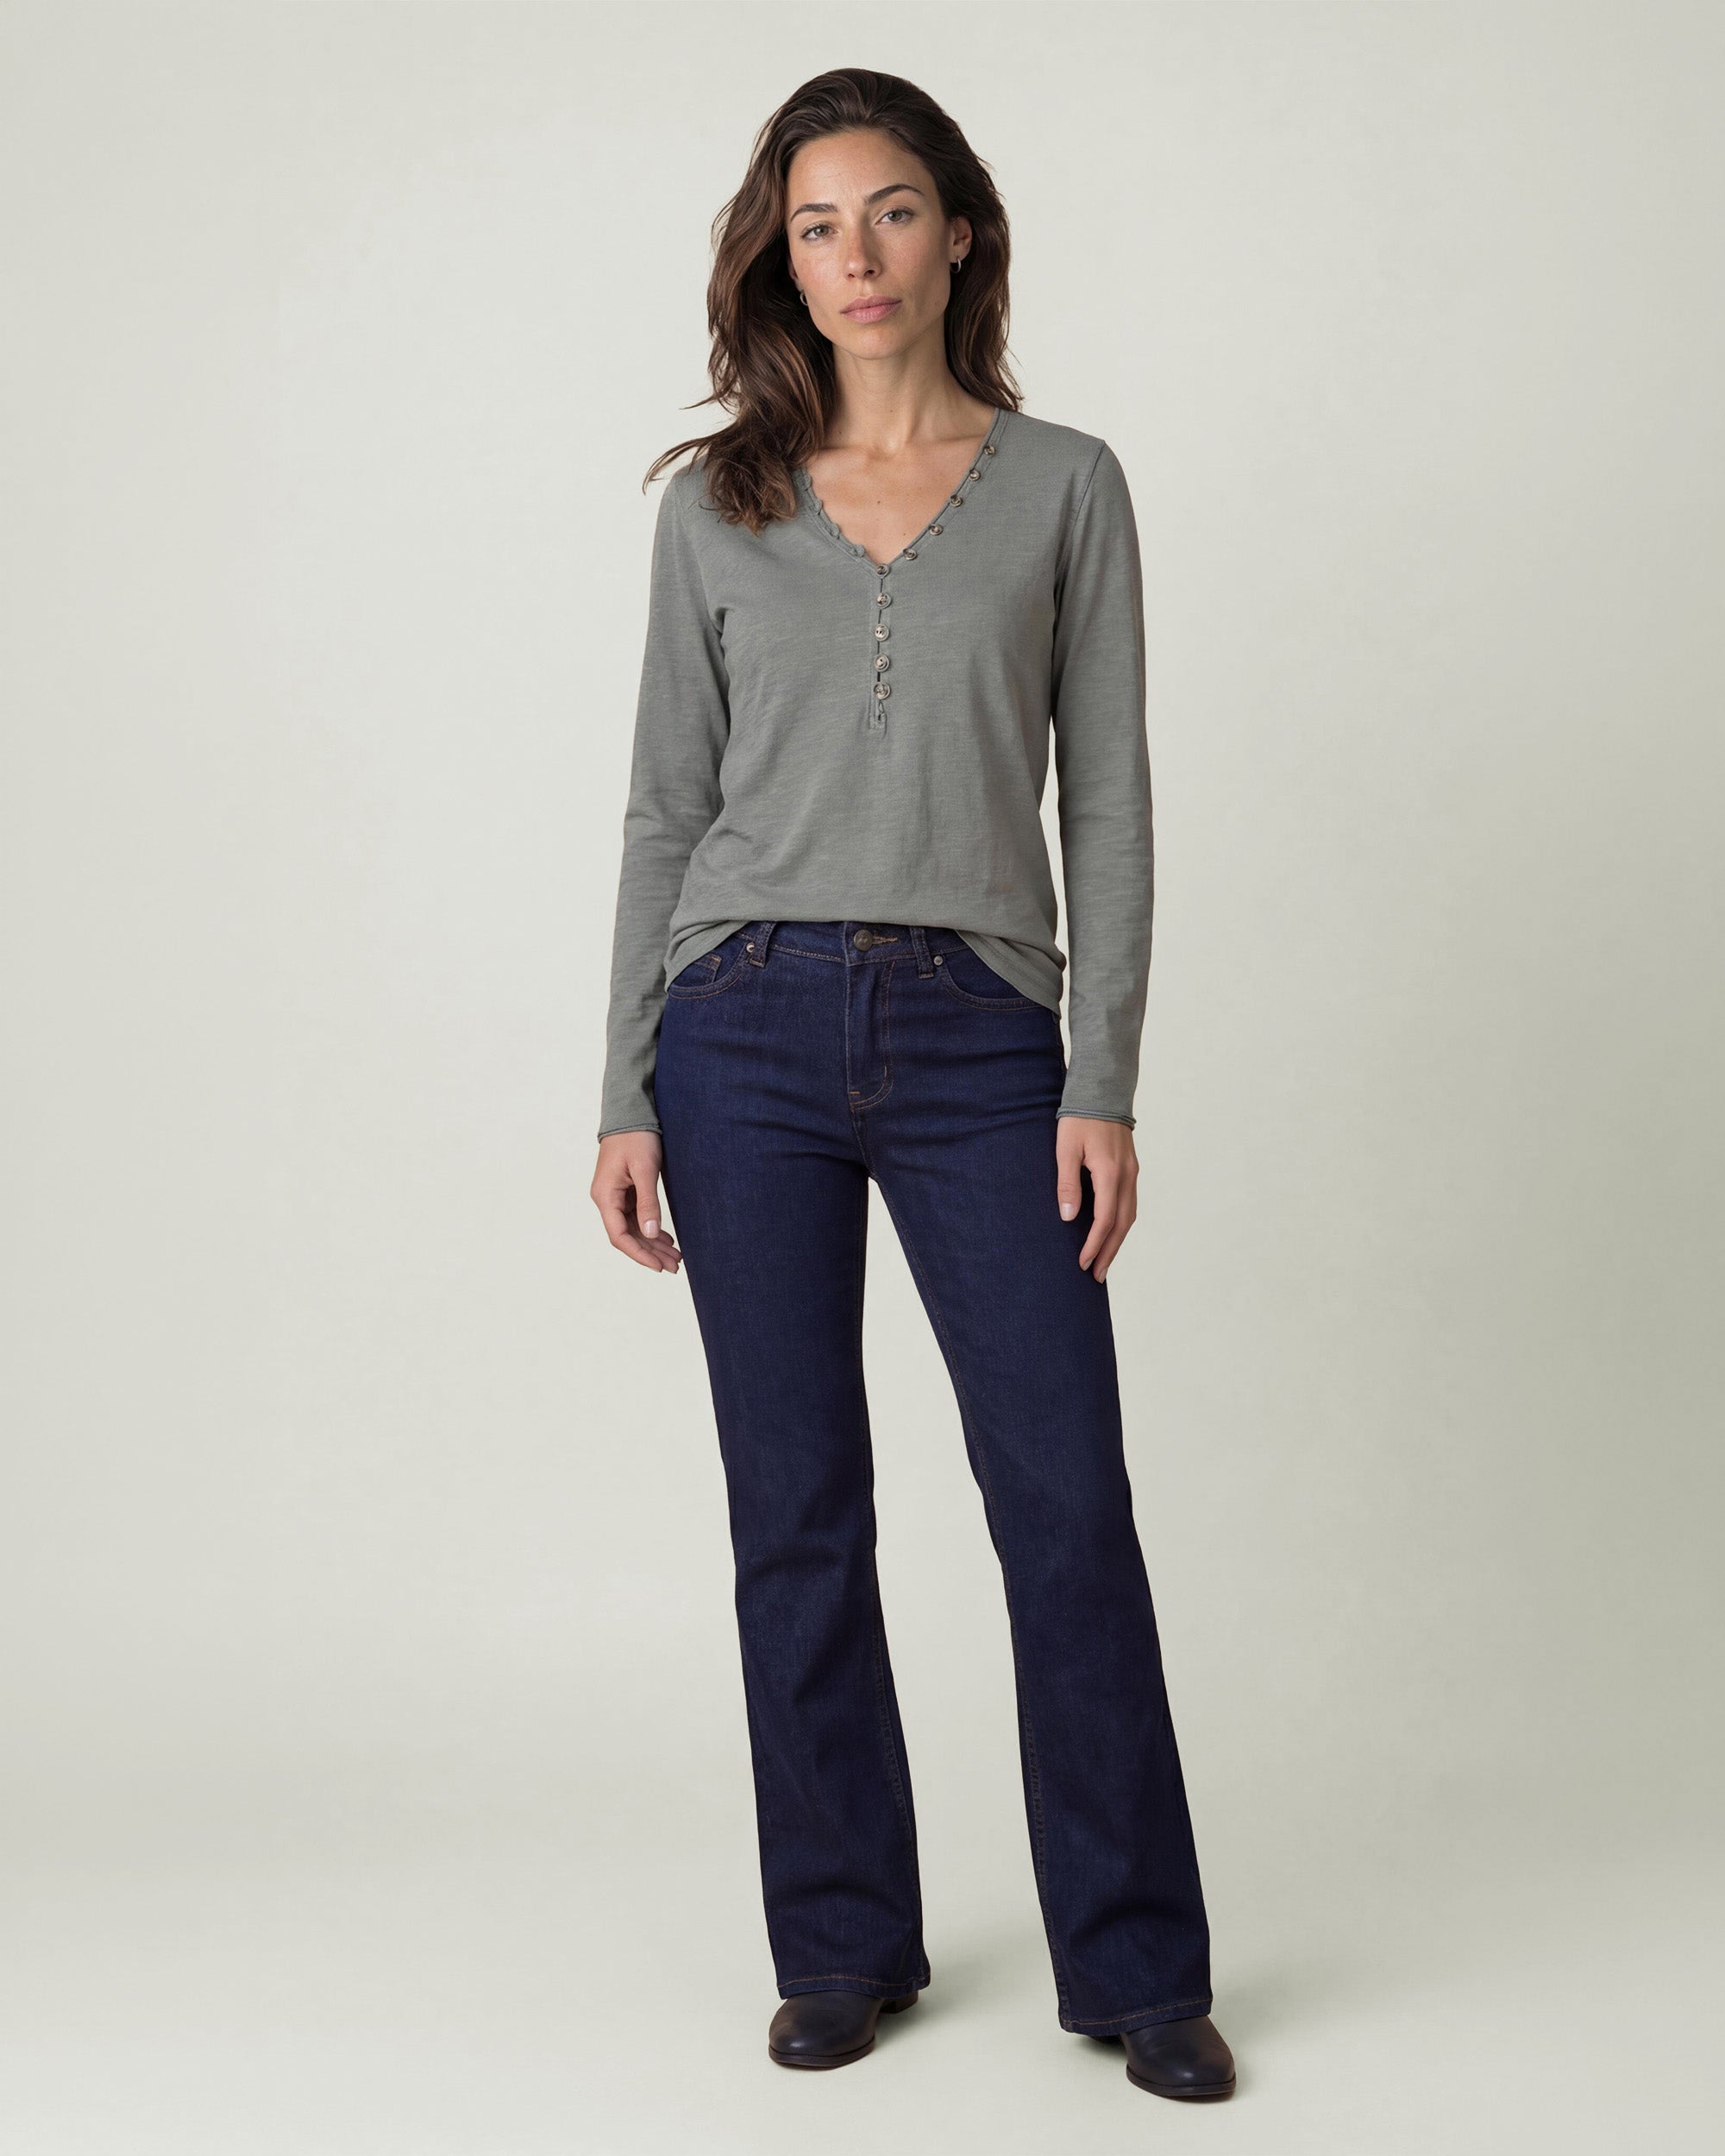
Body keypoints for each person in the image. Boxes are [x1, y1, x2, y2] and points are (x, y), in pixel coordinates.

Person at [592, 66, 1235, 2103]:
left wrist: (1100, 1074)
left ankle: (1136, 1964)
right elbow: (664, 806)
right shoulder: (716, 506)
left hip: (981, 1036)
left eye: (888, 211)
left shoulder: (1065, 485)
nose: (854, 256)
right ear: (778, 260)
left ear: (958, 229)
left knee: (1065, 1501)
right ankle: (841, 1939)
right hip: (740, 1029)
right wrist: (623, 1086)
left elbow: (1107, 800)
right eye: (814, 224)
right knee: (795, 1510)